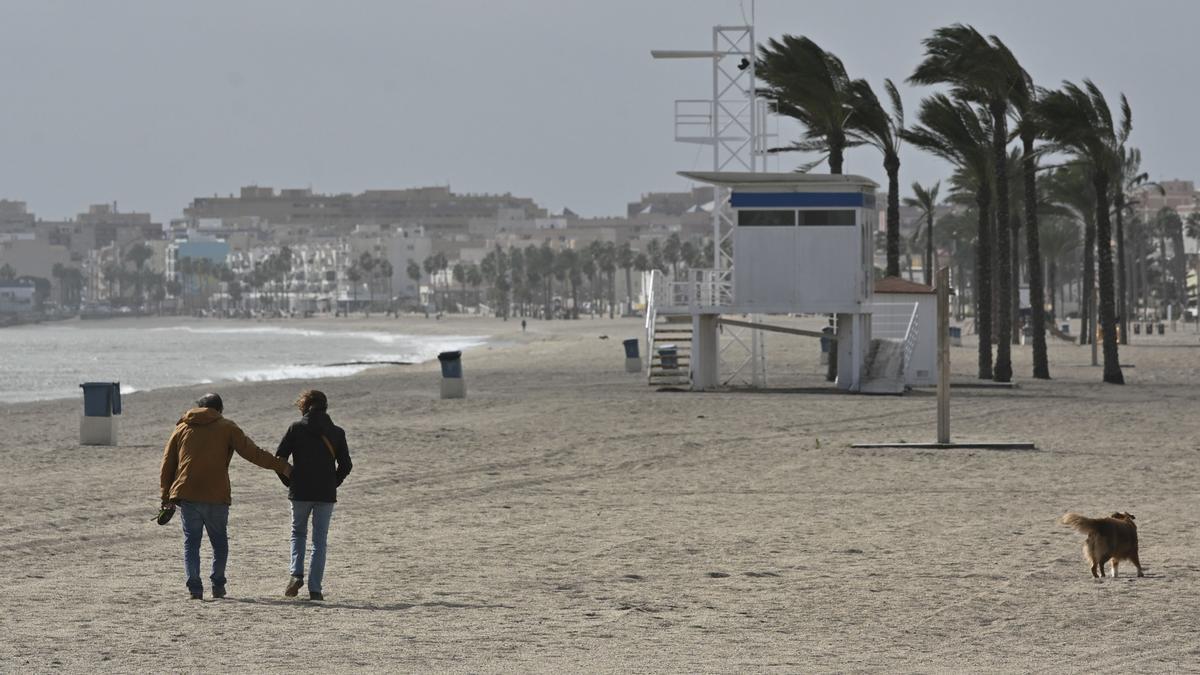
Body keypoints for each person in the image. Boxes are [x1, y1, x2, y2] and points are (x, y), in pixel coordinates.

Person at [160, 393, 292, 600]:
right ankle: (218, 585)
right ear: (219, 410)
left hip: (186, 493)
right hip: (216, 494)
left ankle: (195, 589)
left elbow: (167, 464)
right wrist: (282, 466)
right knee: (219, 542)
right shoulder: (227, 427)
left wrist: (165, 497)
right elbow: (253, 453)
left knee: (191, 543)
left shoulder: (182, 427)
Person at [276, 389, 352, 601]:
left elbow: (279, 459)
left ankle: (296, 574)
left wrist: (289, 481)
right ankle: (315, 588)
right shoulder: (337, 432)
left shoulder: (296, 429)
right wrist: (333, 482)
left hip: (300, 491)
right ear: (325, 407)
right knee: (320, 541)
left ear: (304, 406)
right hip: (325, 493)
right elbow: (346, 465)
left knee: (298, 533)